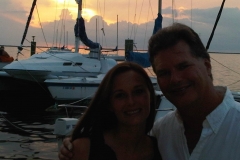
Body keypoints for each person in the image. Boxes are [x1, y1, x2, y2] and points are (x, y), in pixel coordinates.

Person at [59, 23, 240, 160]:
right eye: (164, 72)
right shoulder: (162, 133)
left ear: (207, 66)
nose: (175, 79)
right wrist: (75, 147)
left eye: (183, 66)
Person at [59, 62, 161, 160]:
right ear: (109, 104)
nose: (131, 102)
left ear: (150, 95)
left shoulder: (161, 149)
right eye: (120, 95)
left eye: (138, 92)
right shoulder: (84, 150)